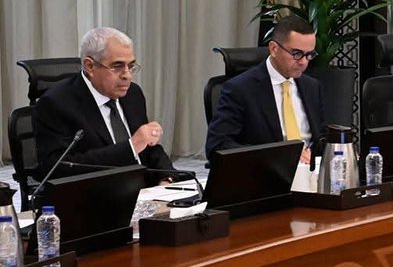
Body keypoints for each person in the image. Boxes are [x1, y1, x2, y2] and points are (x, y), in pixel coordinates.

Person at [35, 27, 174, 173]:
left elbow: (148, 147)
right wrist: (131, 147)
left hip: (143, 184)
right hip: (97, 186)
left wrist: (166, 177)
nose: (127, 75)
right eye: (117, 66)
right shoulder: (56, 103)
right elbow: (58, 168)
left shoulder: (133, 93)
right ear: (90, 66)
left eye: (131, 66)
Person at [205, 14, 326, 163]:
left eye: (309, 55)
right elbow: (217, 146)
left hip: (310, 171)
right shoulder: (240, 89)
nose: (303, 62)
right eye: (297, 54)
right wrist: (280, 155)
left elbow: (320, 139)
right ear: (274, 49)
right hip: (266, 171)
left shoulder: (312, 87)